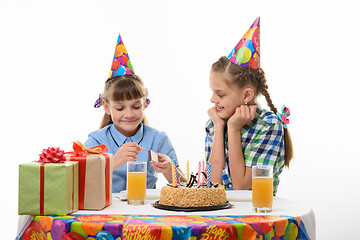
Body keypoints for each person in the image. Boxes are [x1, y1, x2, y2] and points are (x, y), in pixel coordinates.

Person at [85, 34, 184, 192]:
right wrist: (113, 162)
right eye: (120, 108)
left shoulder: (158, 139)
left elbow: (185, 186)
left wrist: (168, 170)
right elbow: (81, 183)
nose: (129, 114)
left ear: (145, 103)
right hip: (107, 211)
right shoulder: (96, 141)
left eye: (136, 106)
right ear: (106, 107)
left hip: (144, 210)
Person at [205, 17, 293, 195]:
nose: (213, 100)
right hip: (222, 216)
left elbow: (241, 188)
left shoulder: (268, 125)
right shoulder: (214, 123)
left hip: (257, 215)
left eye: (220, 94)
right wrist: (220, 126)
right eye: (212, 92)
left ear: (246, 95)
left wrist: (233, 128)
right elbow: (213, 184)